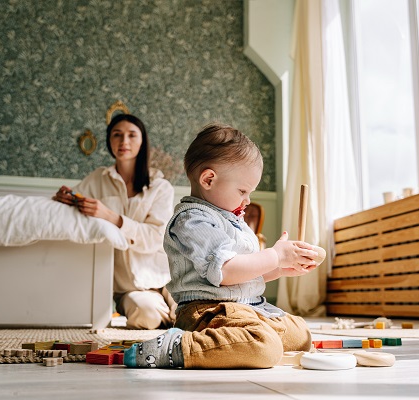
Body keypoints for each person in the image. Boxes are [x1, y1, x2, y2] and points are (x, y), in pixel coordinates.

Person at [123, 122, 326, 369]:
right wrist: (274, 255)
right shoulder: (192, 220)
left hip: (247, 308)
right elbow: (227, 272)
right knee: (264, 347)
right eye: (242, 190)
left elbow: (246, 273)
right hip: (209, 312)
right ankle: (178, 347)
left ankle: (236, 344)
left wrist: (282, 267)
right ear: (208, 179)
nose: (247, 199)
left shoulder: (232, 219)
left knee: (301, 335)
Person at [53, 113, 176, 330]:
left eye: (131, 135)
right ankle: (167, 315)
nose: (124, 142)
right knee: (146, 317)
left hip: (164, 277)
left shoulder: (160, 186)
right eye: (117, 135)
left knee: (191, 315)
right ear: (109, 141)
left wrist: (112, 217)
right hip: (129, 288)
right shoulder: (97, 179)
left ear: (142, 140)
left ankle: (174, 312)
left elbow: (156, 238)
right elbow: (75, 201)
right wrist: (64, 197)